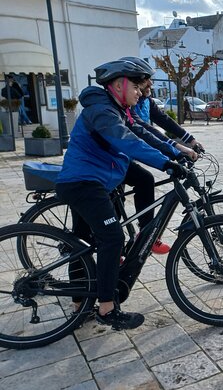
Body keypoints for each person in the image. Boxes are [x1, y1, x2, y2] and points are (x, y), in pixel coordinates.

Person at [55, 59, 188, 330]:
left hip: (93, 180)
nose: (140, 92)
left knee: (82, 241)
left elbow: (141, 132)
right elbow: (127, 141)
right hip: (84, 182)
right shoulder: (103, 112)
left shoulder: (116, 109)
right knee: (112, 238)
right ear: (119, 84)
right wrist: (165, 163)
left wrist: (174, 152)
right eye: (136, 87)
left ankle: (80, 305)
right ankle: (107, 308)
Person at [122, 57, 200, 254]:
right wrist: (169, 157)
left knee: (144, 181)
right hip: (117, 157)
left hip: (126, 156)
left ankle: (147, 235)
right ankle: (124, 245)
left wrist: (186, 142)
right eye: (146, 80)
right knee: (116, 203)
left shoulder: (144, 101)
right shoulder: (124, 107)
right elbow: (141, 135)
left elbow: (160, 123)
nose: (150, 84)